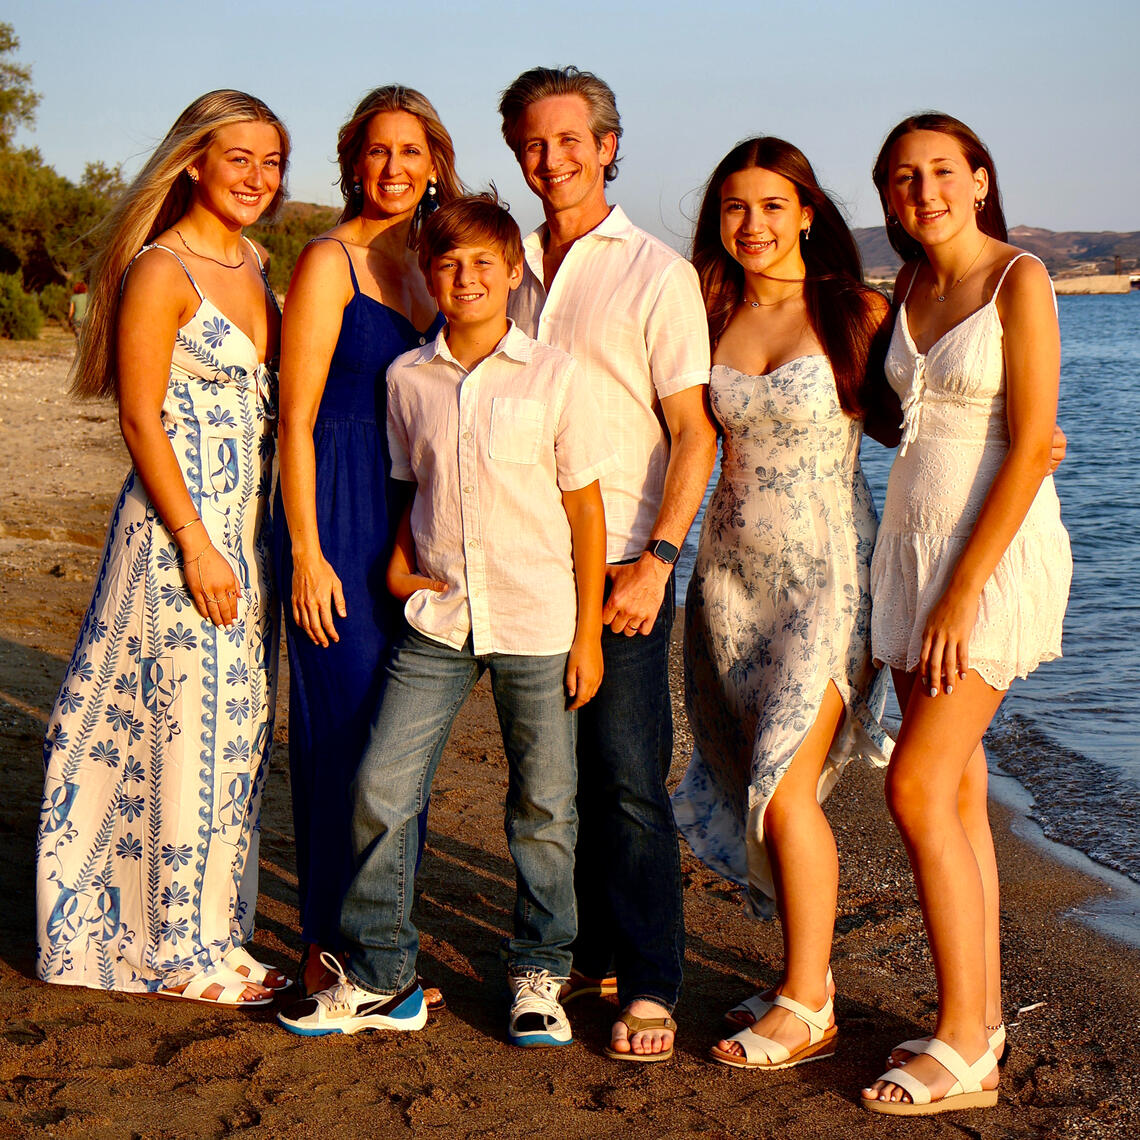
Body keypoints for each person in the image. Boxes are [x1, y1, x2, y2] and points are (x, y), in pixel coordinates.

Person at [277, 193, 614, 1044]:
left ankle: (539, 973)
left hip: (539, 619)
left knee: (544, 808)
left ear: (512, 275)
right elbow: (410, 485)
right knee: (380, 785)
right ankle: (388, 975)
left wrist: (587, 636)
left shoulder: (555, 373)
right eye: (448, 264)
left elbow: (585, 510)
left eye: (482, 265)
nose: (465, 278)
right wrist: (396, 560)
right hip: (439, 618)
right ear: (430, 275)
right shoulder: (406, 379)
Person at [36, 91, 291, 1005]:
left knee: (232, 728)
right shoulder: (161, 271)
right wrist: (193, 542)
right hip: (177, 530)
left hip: (244, 530)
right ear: (194, 161)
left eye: (271, 162)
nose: (259, 179)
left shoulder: (256, 263)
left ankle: (215, 935)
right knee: (177, 723)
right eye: (240, 160)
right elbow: (140, 416)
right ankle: (169, 952)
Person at [498, 66, 718, 1061]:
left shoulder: (655, 273)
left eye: (571, 141)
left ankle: (653, 982)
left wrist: (660, 558)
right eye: (534, 144)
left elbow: (694, 432)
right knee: (556, 773)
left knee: (630, 774)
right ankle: (587, 951)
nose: (553, 160)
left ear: (608, 145)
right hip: (525, 563)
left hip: (625, 555)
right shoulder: (504, 268)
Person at [861, 113, 1071, 1116]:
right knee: (960, 791)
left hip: (981, 565)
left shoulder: (1018, 279)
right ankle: (978, 1020)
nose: (924, 189)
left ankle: (961, 1046)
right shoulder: (905, 287)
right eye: (903, 178)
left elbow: (1031, 445)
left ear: (980, 178)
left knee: (916, 785)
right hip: (912, 549)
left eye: (942, 171)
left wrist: (960, 594)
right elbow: (902, 418)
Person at [671, 136, 897, 1071]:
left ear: (807, 212)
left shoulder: (857, 311)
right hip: (725, 582)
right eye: (735, 208)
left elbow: (925, 427)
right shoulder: (703, 311)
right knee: (747, 776)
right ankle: (797, 972)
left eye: (772, 205)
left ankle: (811, 1000)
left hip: (826, 579)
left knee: (786, 786)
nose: (753, 224)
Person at [274, 86, 463, 998]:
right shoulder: (326, 262)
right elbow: (296, 419)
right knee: (341, 732)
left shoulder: (442, 263)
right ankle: (323, 943)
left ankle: (383, 938)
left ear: (435, 163)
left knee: (405, 740)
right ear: (353, 160)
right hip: (339, 514)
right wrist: (306, 551)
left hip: (417, 518)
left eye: (411, 152)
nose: (394, 169)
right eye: (377, 152)